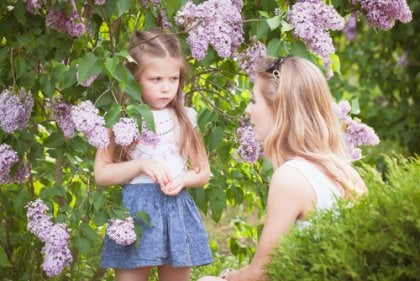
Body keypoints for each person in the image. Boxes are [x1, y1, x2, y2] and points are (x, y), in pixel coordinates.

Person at [199, 56, 367, 281]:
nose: (248, 110)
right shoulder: (348, 174)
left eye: (254, 101)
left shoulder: (291, 177)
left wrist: (224, 277)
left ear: (279, 109)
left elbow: (262, 273)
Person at [94, 29, 213, 281]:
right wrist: (141, 165)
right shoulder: (120, 118)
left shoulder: (185, 118)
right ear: (134, 78)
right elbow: (102, 174)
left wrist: (183, 179)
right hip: (135, 214)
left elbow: (203, 172)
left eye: (173, 79)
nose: (166, 88)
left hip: (176, 211)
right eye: (156, 79)